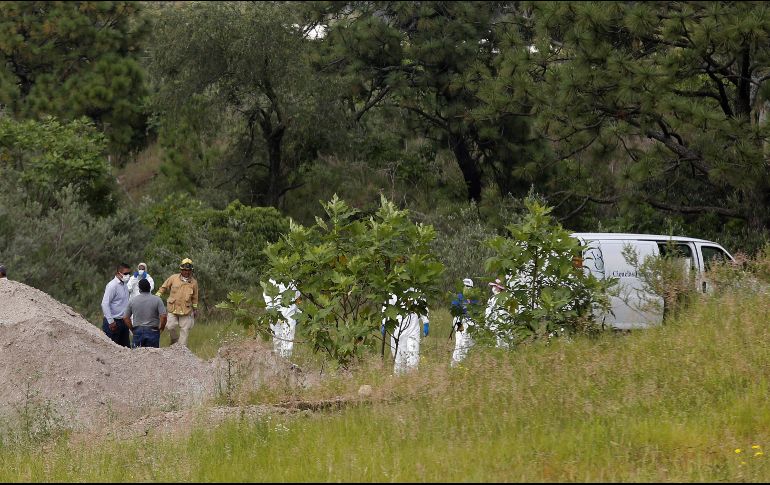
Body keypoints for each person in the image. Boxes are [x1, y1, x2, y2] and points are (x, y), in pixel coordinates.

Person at [155, 258, 199, 347]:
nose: (187, 272)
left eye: (189, 270)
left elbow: (195, 297)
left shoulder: (194, 282)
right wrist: (156, 297)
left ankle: (182, 349)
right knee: (170, 326)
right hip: (173, 308)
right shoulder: (173, 278)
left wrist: (195, 309)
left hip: (186, 310)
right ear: (181, 270)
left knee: (185, 329)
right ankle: (174, 340)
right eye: (185, 270)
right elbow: (163, 287)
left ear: (191, 271)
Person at [384, 290, 429, 375]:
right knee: (399, 359)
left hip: (413, 328)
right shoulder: (394, 288)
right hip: (397, 328)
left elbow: (423, 305)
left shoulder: (417, 288)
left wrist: (426, 321)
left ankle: (412, 382)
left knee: (413, 356)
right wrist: (384, 323)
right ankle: (399, 382)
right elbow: (387, 307)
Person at [263, 279, 301, 359]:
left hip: (290, 315)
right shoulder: (271, 282)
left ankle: (286, 362)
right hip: (275, 314)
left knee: (288, 338)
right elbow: (267, 297)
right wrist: (271, 310)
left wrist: (297, 311)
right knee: (277, 338)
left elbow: (298, 298)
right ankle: (278, 361)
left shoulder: (293, 282)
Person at [125, 278, 167, 348]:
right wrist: (161, 328)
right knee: (153, 355)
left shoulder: (132, 301)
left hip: (138, 330)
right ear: (150, 288)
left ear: (139, 289)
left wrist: (132, 329)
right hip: (153, 330)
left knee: (137, 355)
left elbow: (125, 318)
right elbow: (164, 316)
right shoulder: (157, 300)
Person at [101, 263, 132, 347]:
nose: (128, 275)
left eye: (129, 273)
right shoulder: (112, 285)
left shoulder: (125, 285)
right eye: (126, 273)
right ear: (118, 273)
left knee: (126, 349)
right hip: (114, 322)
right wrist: (111, 321)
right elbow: (105, 303)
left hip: (124, 321)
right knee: (111, 349)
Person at [451, 278, 477, 367]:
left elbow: (476, 313)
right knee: (460, 340)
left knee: (469, 341)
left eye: (469, 286)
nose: (467, 288)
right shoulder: (459, 297)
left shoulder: (474, 299)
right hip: (459, 321)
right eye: (465, 286)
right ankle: (455, 363)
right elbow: (454, 309)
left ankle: (464, 362)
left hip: (470, 322)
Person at [486, 278, 511, 349]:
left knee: (503, 335)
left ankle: (505, 349)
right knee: (499, 336)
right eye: (493, 286)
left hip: (502, 318)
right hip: (497, 319)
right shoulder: (492, 298)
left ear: (499, 288)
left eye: (495, 286)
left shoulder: (504, 297)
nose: (493, 288)